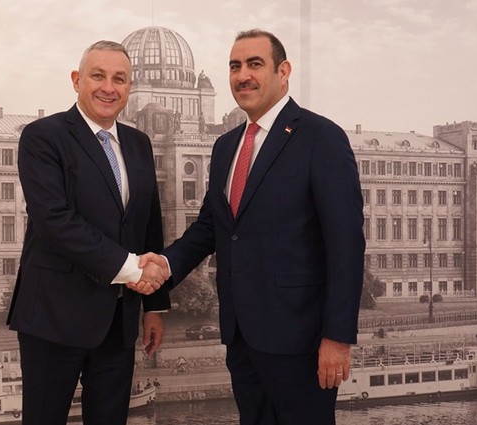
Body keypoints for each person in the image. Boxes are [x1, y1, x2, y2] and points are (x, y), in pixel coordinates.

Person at [141, 29, 365, 424]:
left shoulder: (321, 137)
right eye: (235, 66)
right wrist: (166, 264)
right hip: (242, 337)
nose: (242, 75)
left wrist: (338, 337)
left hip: (301, 340)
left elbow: (346, 245)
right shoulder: (226, 146)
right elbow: (211, 226)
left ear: (283, 71)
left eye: (254, 64)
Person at [6, 40, 171, 425]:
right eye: (98, 76)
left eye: (119, 79)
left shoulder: (139, 144)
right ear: (77, 80)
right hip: (53, 316)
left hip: (118, 321)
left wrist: (155, 305)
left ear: (130, 88)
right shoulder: (43, 136)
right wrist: (133, 271)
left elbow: (149, 223)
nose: (108, 88)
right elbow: (54, 220)